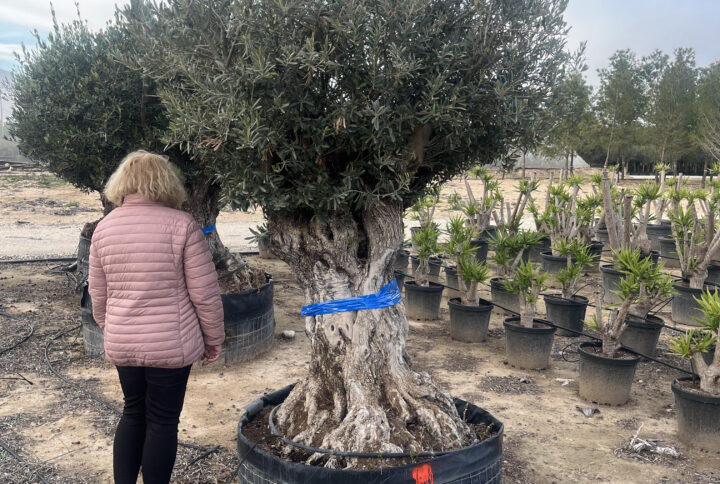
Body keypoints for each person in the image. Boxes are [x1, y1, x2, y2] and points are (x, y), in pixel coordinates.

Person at [88, 150, 225, 484]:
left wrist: (112, 329)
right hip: (170, 344)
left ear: (122, 183)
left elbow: (98, 295)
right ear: (167, 182)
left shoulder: (104, 228)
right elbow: (204, 294)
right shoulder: (183, 225)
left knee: (133, 412)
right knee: (163, 420)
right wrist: (213, 339)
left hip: (123, 340)